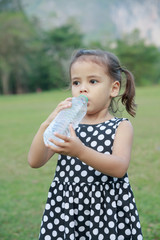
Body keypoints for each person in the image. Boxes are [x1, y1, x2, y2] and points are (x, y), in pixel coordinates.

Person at [28, 49, 143, 240]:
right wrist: (47, 123)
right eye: (76, 82)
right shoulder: (68, 125)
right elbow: (35, 161)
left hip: (105, 210)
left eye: (93, 81)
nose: (82, 88)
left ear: (113, 89)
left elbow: (119, 167)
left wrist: (80, 151)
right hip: (67, 208)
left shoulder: (120, 126)